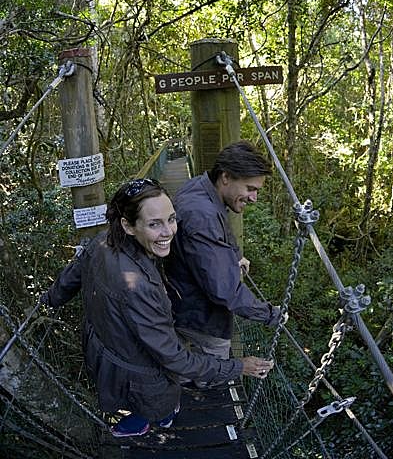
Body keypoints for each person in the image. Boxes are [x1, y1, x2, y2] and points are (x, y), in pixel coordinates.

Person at [43, 178, 273, 438]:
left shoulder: (103, 241)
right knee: (158, 408)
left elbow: (71, 276)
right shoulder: (138, 286)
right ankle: (157, 420)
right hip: (139, 374)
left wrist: (48, 302)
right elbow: (175, 359)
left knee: (131, 407)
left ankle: (134, 424)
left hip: (105, 348)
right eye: (154, 224)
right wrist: (238, 366)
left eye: (171, 219)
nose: (168, 232)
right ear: (128, 226)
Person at [164, 140, 280, 363]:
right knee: (212, 379)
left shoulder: (201, 188)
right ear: (226, 177)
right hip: (201, 321)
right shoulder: (201, 215)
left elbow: (221, 223)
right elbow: (225, 291)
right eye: (250, 189)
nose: (254, 198)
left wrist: (236, 255)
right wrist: (270, 314)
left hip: (184, 300)